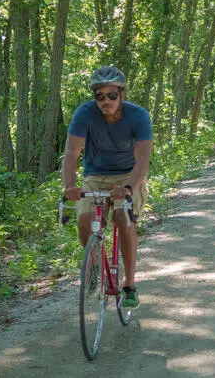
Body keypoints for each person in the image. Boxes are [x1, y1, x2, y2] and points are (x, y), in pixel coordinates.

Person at [62, 66, 152, 310]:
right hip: (95, 175)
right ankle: (94, 265)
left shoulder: (138, 116)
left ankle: (129, 284)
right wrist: (70, 185)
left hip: (128, 175)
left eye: (112, 95)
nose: (106, 101)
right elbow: (72, 152)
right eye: (100, 96)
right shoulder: (84, 114)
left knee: (123, 218)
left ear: (122, 94)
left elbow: (143, 158)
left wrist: (129, 187)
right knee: (84, 218)